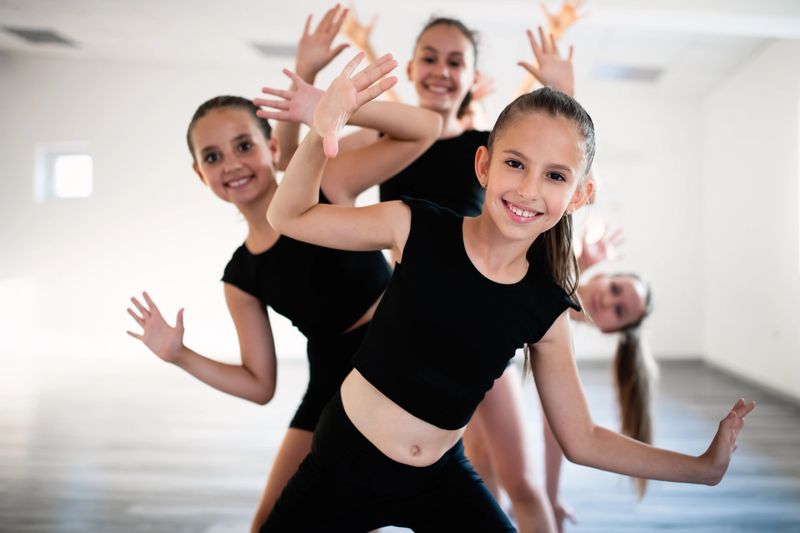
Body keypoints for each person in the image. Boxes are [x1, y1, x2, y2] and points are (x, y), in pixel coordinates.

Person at [259, 51, 754, 532]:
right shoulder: (415, 226)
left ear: (578, 196)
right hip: (345, 464)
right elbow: (289, 216)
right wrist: (323, 127)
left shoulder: (545, 307)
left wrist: (704, 467)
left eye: (555, 176)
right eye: (515, 164)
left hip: (439, 480)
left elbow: (581, 439)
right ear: (483, 166)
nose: (528, 189)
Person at [125, 32, 441, 533]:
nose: (230, 164)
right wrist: (180, 355)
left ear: (271, 145)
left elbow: (424, 128)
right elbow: (259, 384)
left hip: (393, 354)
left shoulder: (323, 183)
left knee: (387, 502)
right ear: (198, 172)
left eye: (243, 145)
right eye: (212, 157)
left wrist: (334, 110)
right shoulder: (240, 276)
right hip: (329, 380)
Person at [463, 225, 657, 532]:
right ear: (607, 276)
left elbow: (556, 425)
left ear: (610, 330)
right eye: (615, 288)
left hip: (482, 352)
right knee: (488, 465)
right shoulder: (563, 265)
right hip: (465, 331)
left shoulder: (562, 337)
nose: (607, 301)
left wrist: (551, 497)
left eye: (619, 311)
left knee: (510, 480)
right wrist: (582, 260)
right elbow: (538, 273)